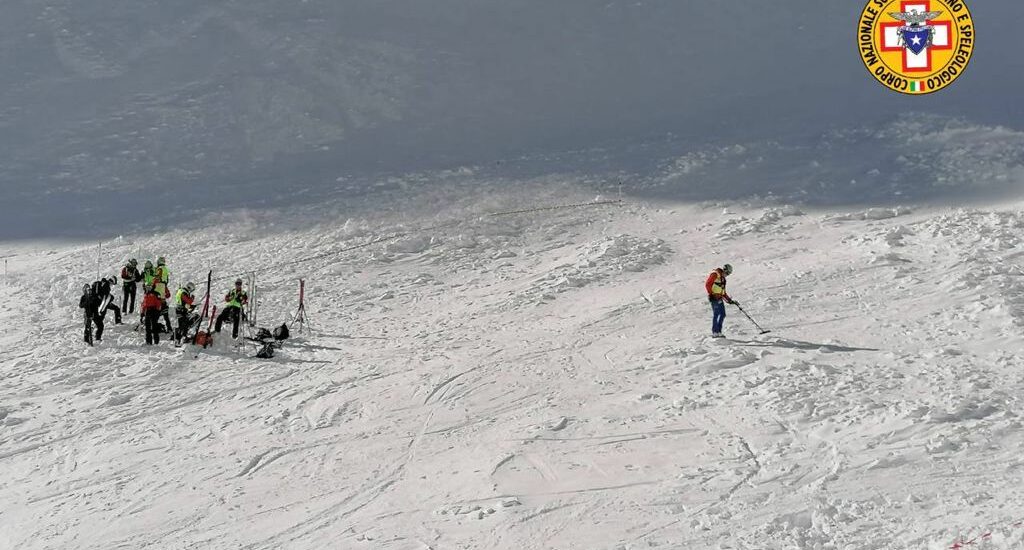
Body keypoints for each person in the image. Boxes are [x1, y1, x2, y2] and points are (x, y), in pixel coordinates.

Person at [705, 264, 739, 338]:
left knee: (723, 314)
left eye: (729, 274)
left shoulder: (723, 279)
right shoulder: (715, 274)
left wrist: (729, 300)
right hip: (714, 298)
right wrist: (711, 294)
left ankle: (719, 332)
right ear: (724, 270)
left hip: (719, 298)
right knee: (716, 314)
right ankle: (715, 332)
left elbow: (723, 292)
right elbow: (708, 284)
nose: (727, 275)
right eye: (727, 273)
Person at [153, 257, 173, 332]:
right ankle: (169, 328)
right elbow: (168, 295)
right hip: (163, 289)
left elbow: (157, 278)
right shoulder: (165, 269)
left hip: (158, 294)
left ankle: (154, 327)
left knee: (156, 314)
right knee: (165, 314)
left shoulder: (159, 269)